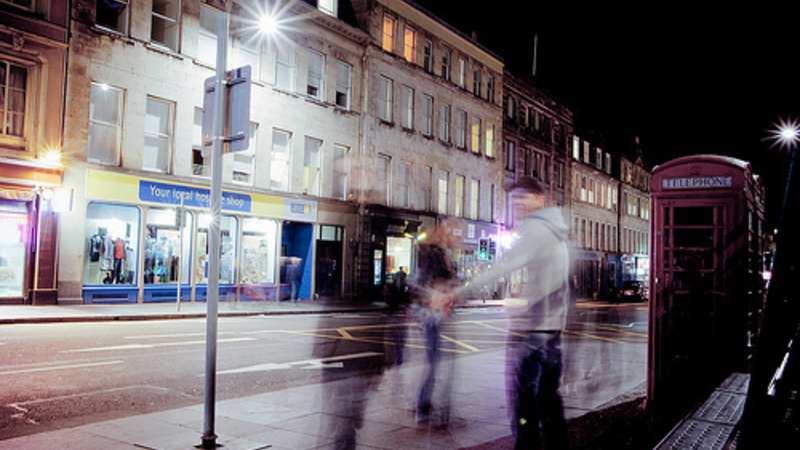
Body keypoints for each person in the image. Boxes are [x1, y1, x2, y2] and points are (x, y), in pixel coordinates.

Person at [466, 176, 572, 450]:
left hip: (535, 331)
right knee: (548, 398)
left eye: (523, 197)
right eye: (514, 199)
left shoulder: (536, 228)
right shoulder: (556, 228)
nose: (517, 203)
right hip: (552, 330)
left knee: (524, 400)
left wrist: (458, 292)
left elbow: (505, 266)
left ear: (539, 199)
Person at [409, 222, 459, 427]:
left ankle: (429, 407)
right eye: (448, 231)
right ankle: (424, 407)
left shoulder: (435, 253)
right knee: (434, 363)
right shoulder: (434, 254)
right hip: (432, 315)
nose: (452, 234)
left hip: (435, 315)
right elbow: (433, 283)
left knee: (437, 362)